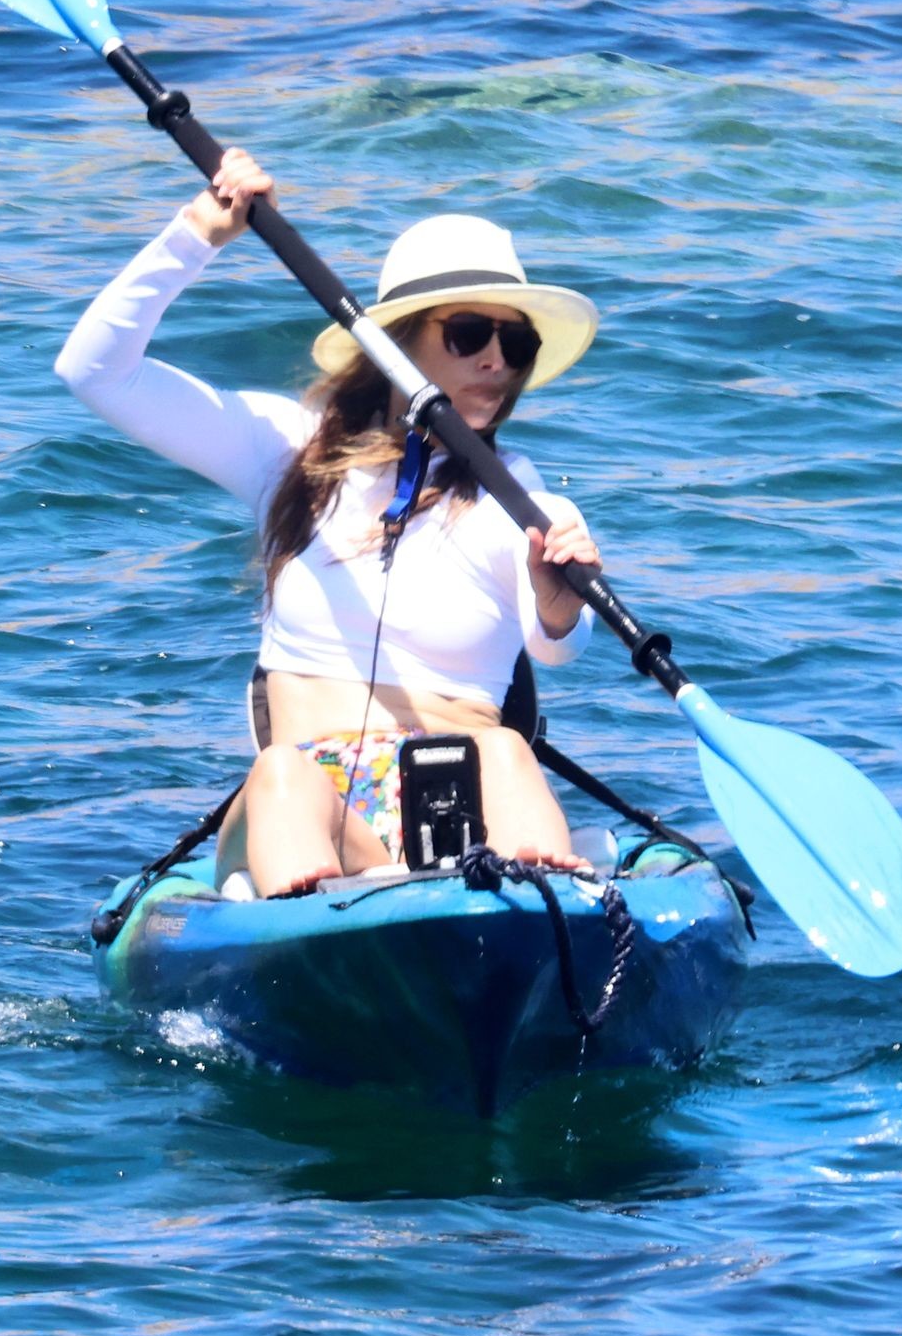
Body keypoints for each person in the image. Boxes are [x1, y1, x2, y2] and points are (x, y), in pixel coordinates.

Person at [55, 148, 605, 898]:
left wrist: (558, 600)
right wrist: (197, 234)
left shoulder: (525, 500)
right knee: (281, 773)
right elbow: (94, 371)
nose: (496, 362)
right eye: (471, 332)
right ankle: (323, 929)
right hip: (316, 805)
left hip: (460, 805)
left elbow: (557, 644)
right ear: (398, 340)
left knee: (507, 752)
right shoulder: (289, 452)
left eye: (517, 345)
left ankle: (541, 916)